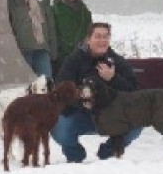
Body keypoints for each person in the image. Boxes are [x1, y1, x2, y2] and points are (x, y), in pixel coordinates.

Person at [52, 22, 139, 162]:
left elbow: (134, 91)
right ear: (88, 39)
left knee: (136, 123)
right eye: (98, 36)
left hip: (109, 115)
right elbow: (61, 90)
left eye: (106, 37)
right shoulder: (74, 60)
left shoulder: (117, 61)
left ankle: (107, 153)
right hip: (79, 114)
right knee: (59, 128)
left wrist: (113, 79)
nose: (102, 40)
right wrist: (82, 98)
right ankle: (75, 156)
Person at [7, 0, 57, 79]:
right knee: (24, 84)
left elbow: (50, 23)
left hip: (42, 48)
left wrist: (53, 47)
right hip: (21, 49)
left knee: (45, 82)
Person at [51, 0, 92, 76]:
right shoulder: (54, 10)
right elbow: (49, 32)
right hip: (59, 56)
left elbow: (90, 31)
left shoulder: (84, 11)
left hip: (80, 55)